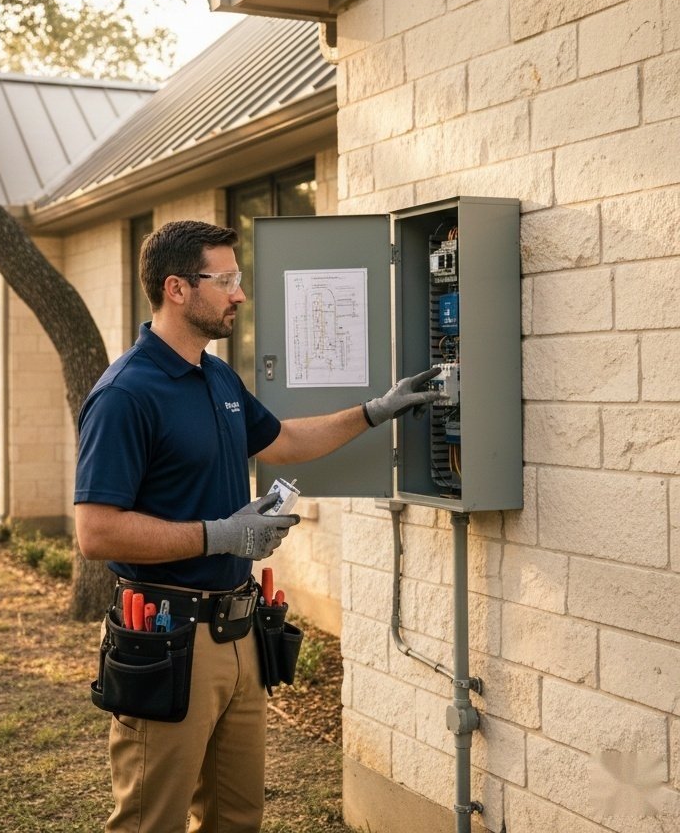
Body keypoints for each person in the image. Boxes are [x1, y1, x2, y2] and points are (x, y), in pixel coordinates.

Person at [74, 219, 439, 833]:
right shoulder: (125, 395)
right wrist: (219, 535)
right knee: (150, 822)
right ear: (177, 289)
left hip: (238, 633)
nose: (240, 294)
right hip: (167, 636)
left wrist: (376, 412)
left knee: (237, 817)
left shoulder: (217, 376)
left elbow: (284, 440)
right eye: (226, 281)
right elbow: (96, 532)